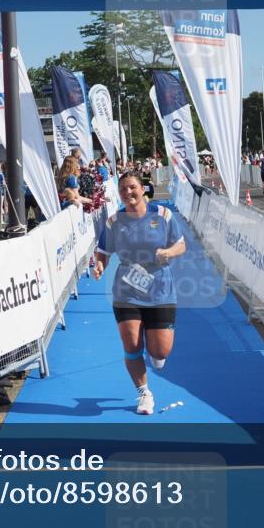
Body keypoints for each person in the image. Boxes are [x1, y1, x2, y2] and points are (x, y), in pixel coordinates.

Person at [93, 173, 186, 415]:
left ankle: (156, 355)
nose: (128, 193)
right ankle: (144, 393)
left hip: (160, 289)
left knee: (160, 351)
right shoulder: (114, 221)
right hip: (126, 290)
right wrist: (100, 264)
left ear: (143, 189)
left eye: (132, 187)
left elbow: (181, 245)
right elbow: (102, 251)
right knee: (132, 343)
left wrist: (168, 252)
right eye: (123, 190)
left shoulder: (163, 215)